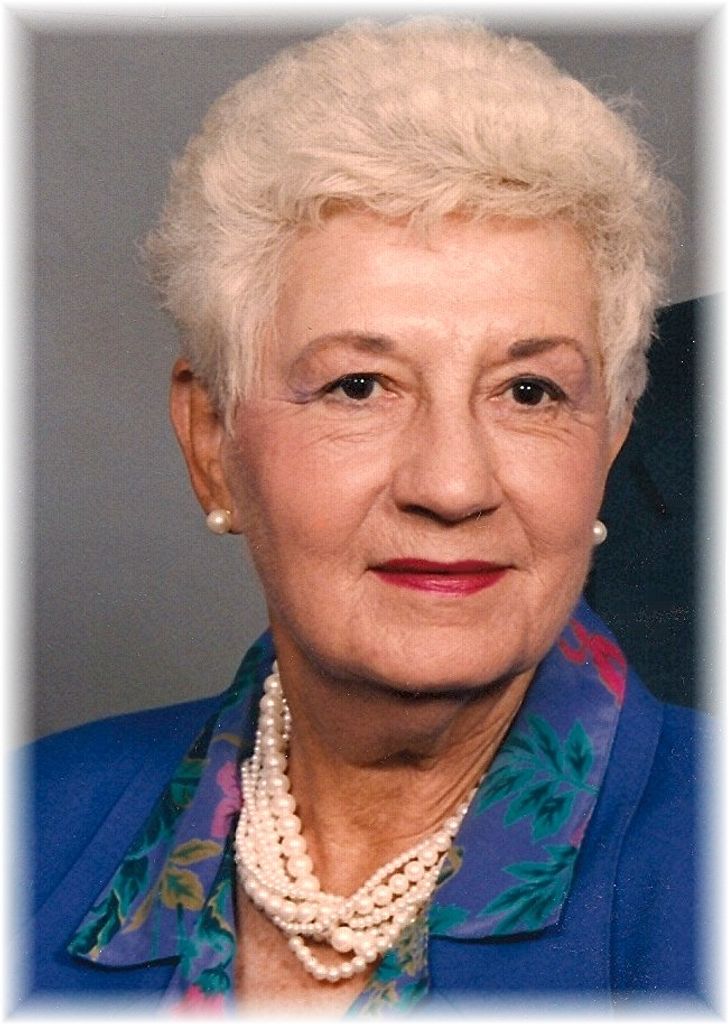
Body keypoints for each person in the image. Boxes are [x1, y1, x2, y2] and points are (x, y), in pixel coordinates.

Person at [21, 18, 708, 1014]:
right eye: (358, 386)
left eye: (528, 392)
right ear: (210, 440)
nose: (452, 484)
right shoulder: (31, 825)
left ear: (606, 443)